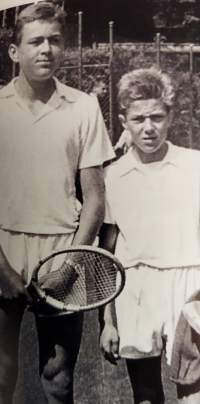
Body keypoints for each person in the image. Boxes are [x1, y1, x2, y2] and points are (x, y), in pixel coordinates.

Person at [0, 3, 115, 404]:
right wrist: (4, 270)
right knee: (1, 374)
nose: (46, 49)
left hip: (64, 250)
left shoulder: (82, 106)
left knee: (59, 380)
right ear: (15, 52)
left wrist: (70, 263)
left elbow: (96, 197)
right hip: (3, 252)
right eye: (35, 41)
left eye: (54, 40)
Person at [99, 67, 200, 404]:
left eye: (157, 117)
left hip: (188, 284)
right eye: (139, 118)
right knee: (144, 393)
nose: (148, 127)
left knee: (193, 388)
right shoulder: (112, 176)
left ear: (170, 117)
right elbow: (108, 255)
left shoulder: (193, 166)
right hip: (136, 288)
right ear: (123, 120)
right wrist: (108, 322)